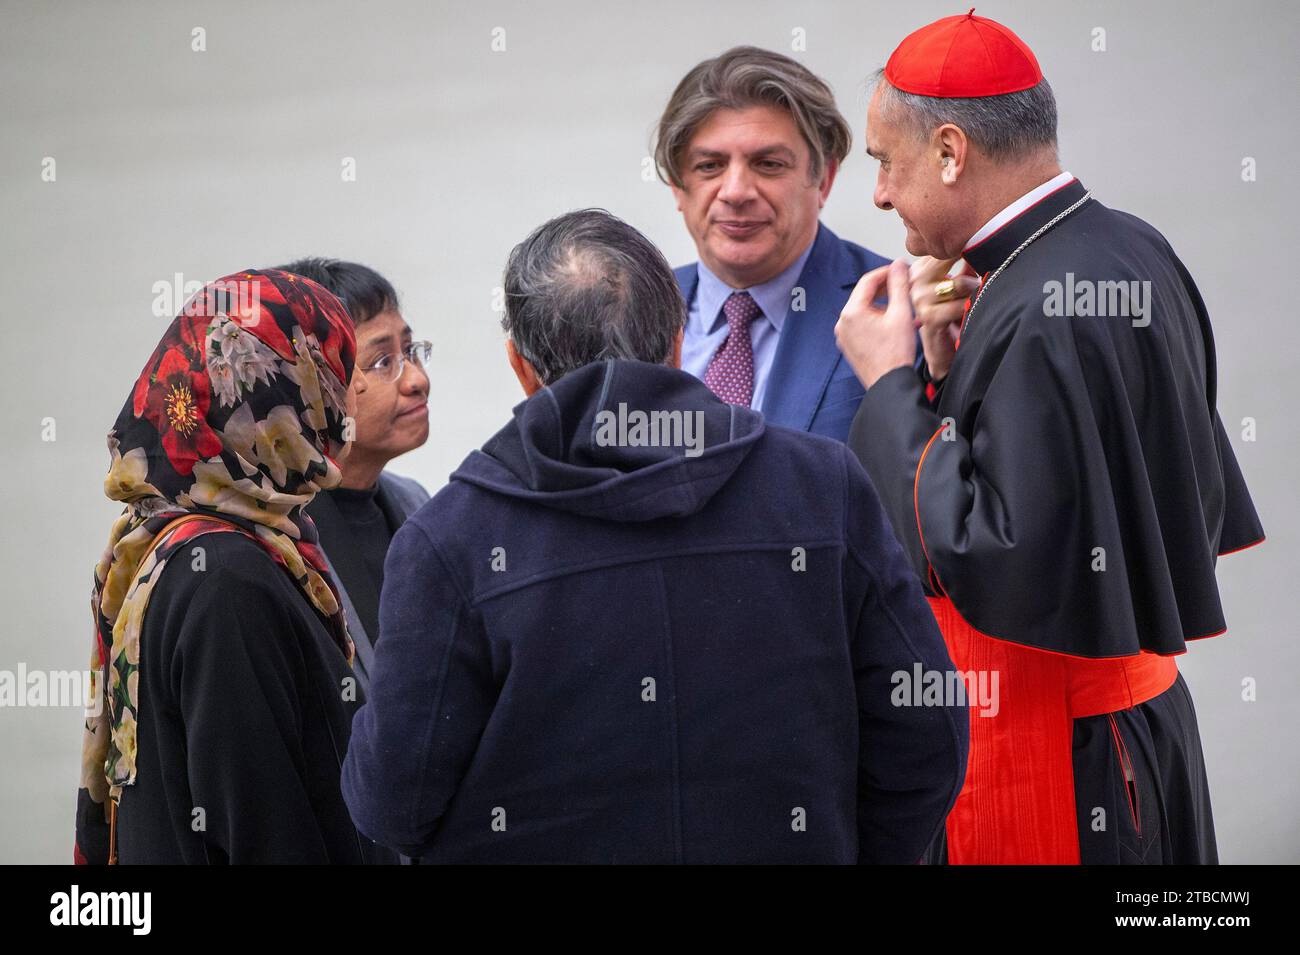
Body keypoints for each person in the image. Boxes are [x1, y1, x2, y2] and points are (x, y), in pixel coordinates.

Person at [341, 209, 968, 863]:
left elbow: (393, 802)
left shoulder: (448, 540)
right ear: (675, 340)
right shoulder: (823, 487)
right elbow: (928, 733)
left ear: (520, 367)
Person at [834, 12, 1265, 864]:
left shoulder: (1040, 304)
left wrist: (888, 388)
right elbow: (1087, 499)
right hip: (1138, 727)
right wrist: (944, 373)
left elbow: (990, 551)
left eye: (886, 160)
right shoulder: (1128, 248)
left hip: (1067, 751)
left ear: (950, 151)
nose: (879, 193)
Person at [76, 269, 396, 864]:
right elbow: (262, 829)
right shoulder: (226, 579)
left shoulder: (191, 548)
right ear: (280, 396)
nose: (350, 401)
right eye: (337, 377)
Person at [655, 46, 890, 440]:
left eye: (769, 164)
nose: (736, 192)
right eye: (709, 166)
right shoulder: (630, 311)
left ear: (823, 180)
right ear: (679, 187)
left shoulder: (899, 308)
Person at [275, 257, 431, 691]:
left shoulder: (419, 504)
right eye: (383, 361)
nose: (417, 379)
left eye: (411, 351)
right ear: (314, 381)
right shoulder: (277, 538)